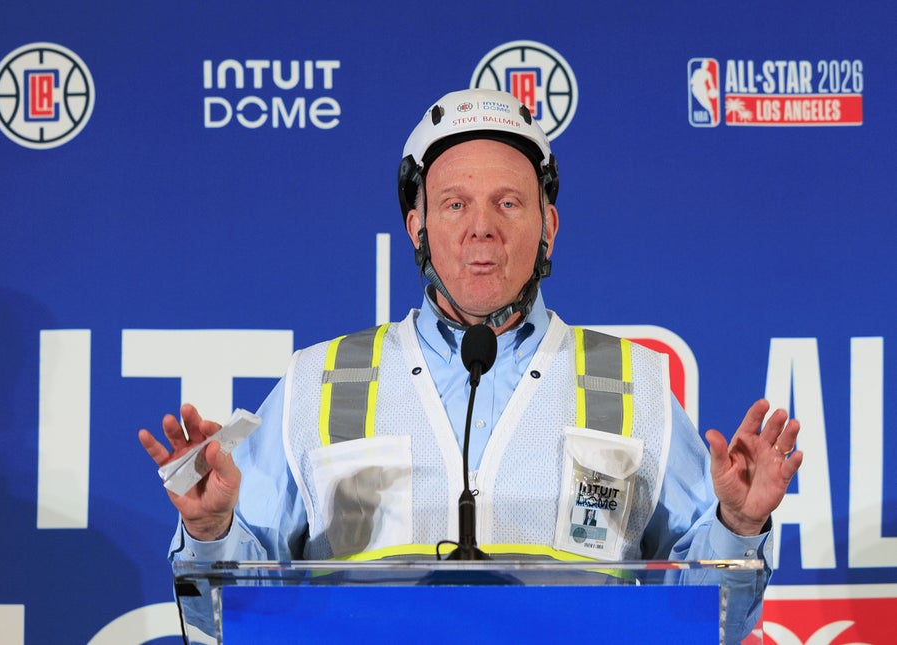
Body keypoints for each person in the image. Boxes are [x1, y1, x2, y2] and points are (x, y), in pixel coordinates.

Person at [140, 88, 802, 642]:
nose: (480, 227)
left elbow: (707, 620)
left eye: (508, 203)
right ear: (416, 225)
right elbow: (226, 616)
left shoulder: (632, 382)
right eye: (454, 203)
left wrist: (738, 525)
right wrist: (210, 528)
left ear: (549, 225)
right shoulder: (318, 379)